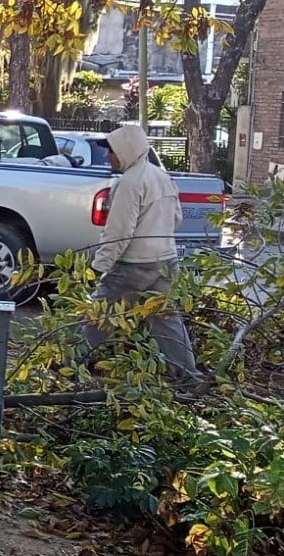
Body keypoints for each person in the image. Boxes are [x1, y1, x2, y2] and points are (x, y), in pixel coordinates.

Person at [82, 124, 205, 393]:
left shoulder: (129, 183)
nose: (108, 157)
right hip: (166, 262)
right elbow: (176, 218)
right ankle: (189, 378)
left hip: (132, 265)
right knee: (166, 321)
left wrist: (98, 266)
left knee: (100, 314)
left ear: (125, 151)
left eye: (111, 152)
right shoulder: (161, 177)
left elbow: (119, 232)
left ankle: (68, 362)